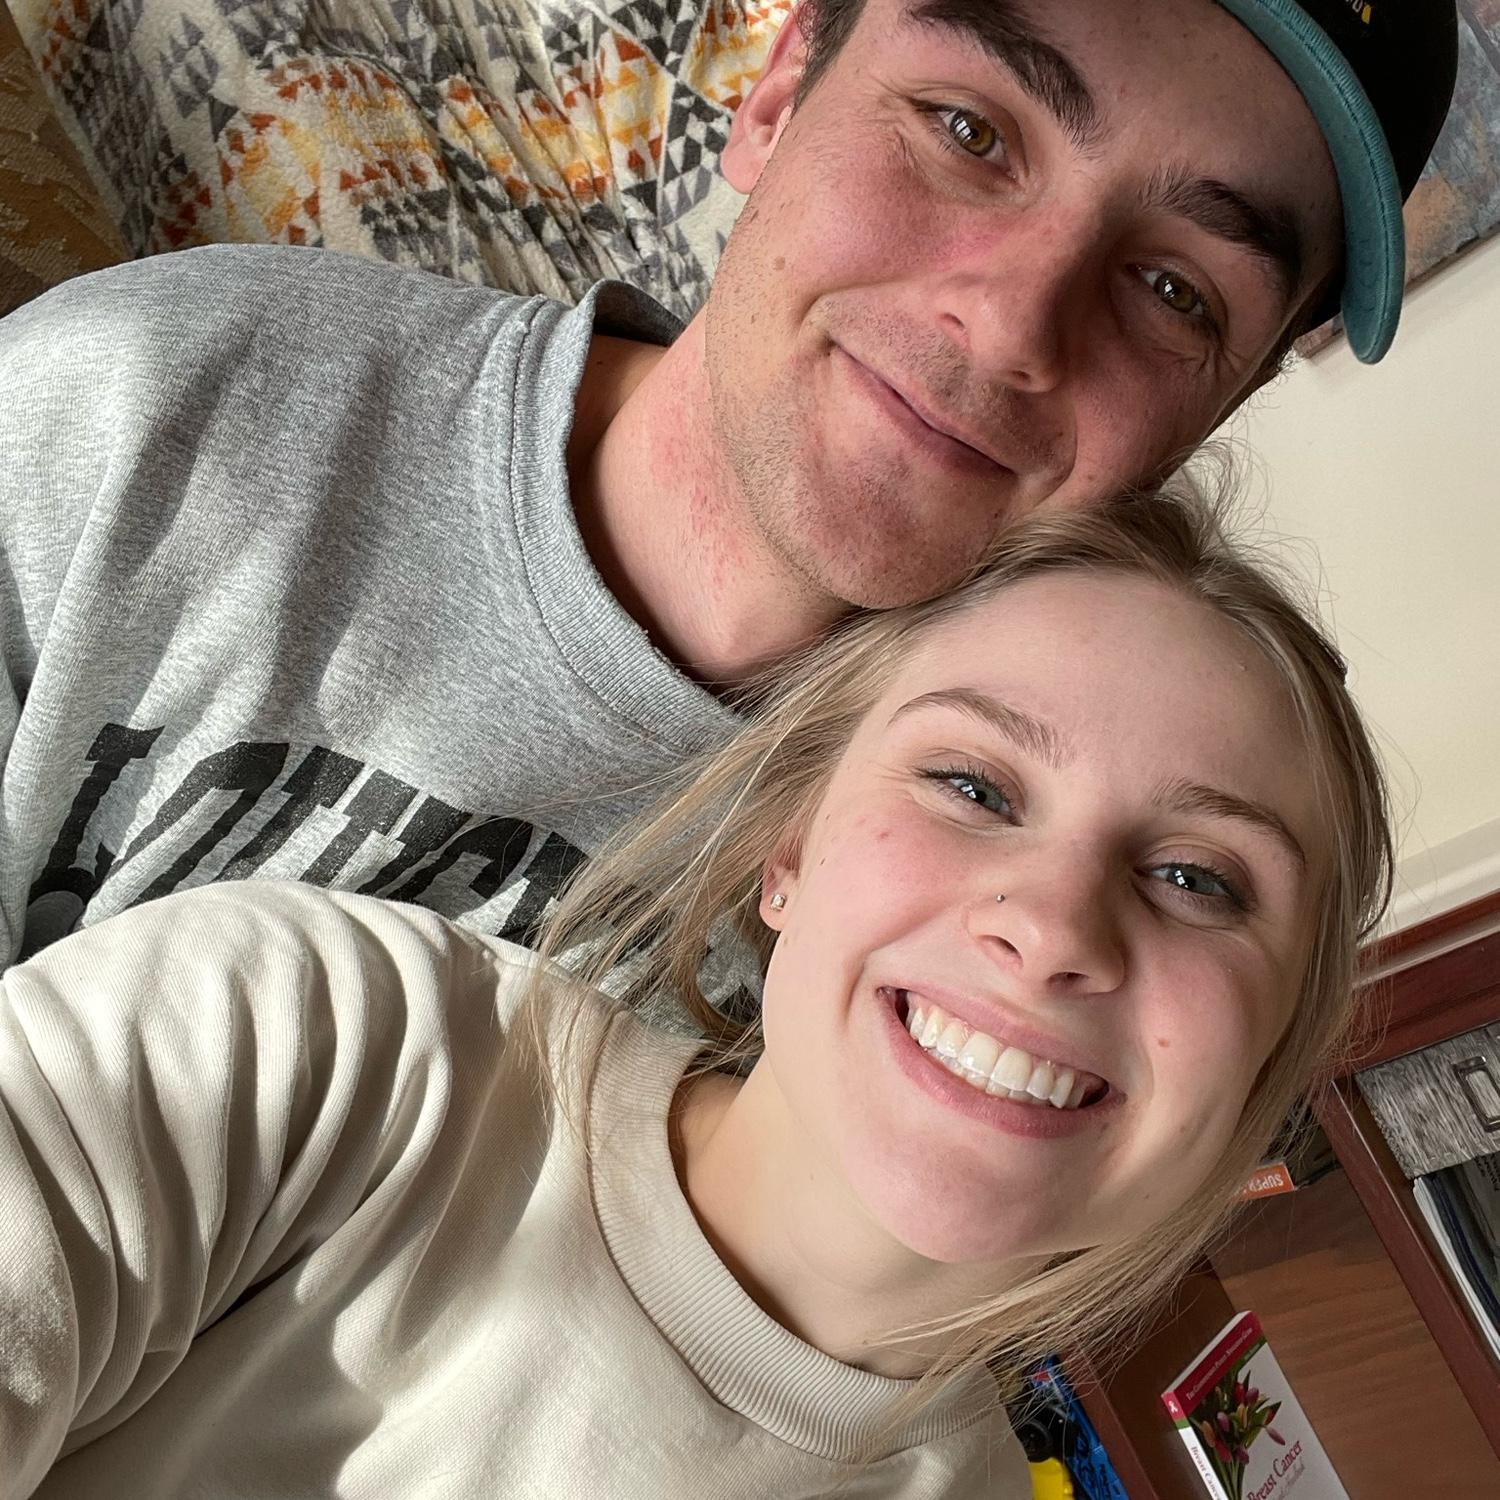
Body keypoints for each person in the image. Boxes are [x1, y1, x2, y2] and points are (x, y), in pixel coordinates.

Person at [0, 0, 1451, 970]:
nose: (1013, 326)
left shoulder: (1032, 916)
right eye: (970, 130)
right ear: (777, 92)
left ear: (1223, 406)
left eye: (1174, 289)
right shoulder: (156, 407)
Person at [3, 495, 1391, 1497]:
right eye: (973, 786)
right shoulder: (322, 1034)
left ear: (1263, 1067)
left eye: (1199, 880)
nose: (1052, 927)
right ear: (788, 852)